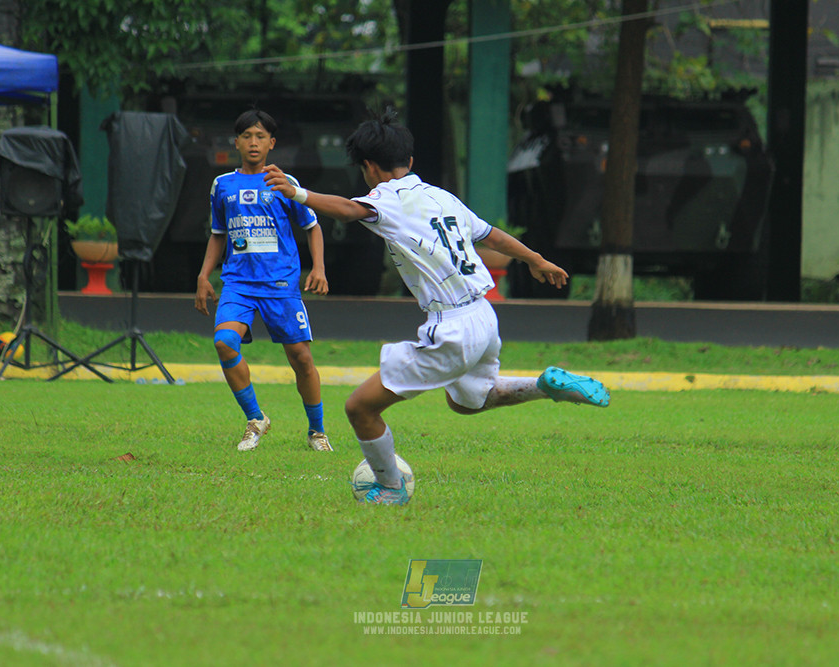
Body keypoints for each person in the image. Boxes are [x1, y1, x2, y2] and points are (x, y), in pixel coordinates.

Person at [262, 112, 610, 505]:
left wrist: (297, 193)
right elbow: (492, 236)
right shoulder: (442, 197)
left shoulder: (387, 198)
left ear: (369, 168)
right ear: (409, 161)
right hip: (484, 316)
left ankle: (391, 488)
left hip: (452, 327)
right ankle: (544, 386)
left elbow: (347, 209)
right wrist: (536, 259)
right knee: (469, 402)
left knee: (360, 408)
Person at [195, 109, 332, 453]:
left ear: (272, 143)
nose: (253, 143)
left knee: (301, 358)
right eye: (247, 136)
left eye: (260, 136)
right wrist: (203, 275)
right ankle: (256, 419)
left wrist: (318, 268)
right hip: (237, 284)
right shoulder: (222, 185)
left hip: (280, 285)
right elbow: (218, 234)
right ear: (236, 142)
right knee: (224, 342)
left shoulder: (284, 182)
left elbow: (312, 226)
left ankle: (317, 432)